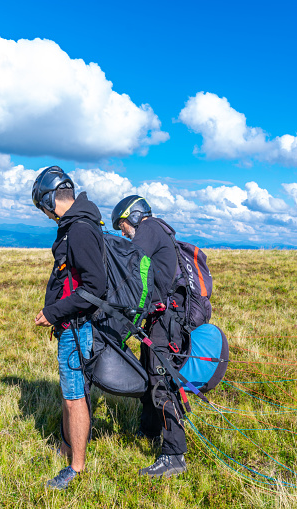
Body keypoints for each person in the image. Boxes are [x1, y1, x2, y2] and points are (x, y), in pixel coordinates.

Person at [32, 166, 106, 490]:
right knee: (69, 393)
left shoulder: (79, 230)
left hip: (78, 328)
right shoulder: (74, 225)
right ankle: (65, 447)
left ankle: (76, 468)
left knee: (75, 398)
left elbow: (94, 287)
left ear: (49, 201)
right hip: (70, 325)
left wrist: (54, 312)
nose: (45, 215)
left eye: (42, 208)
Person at [111, 195, 187, 478]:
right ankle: (150, 430)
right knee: (149, 377)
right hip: (158, 320)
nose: (123, 232)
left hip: (166, 323)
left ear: (134, 215)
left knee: (162, 384)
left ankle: (174, 456)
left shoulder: (149, 228)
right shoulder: (156, 229)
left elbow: (129, 261)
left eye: (122, 225)